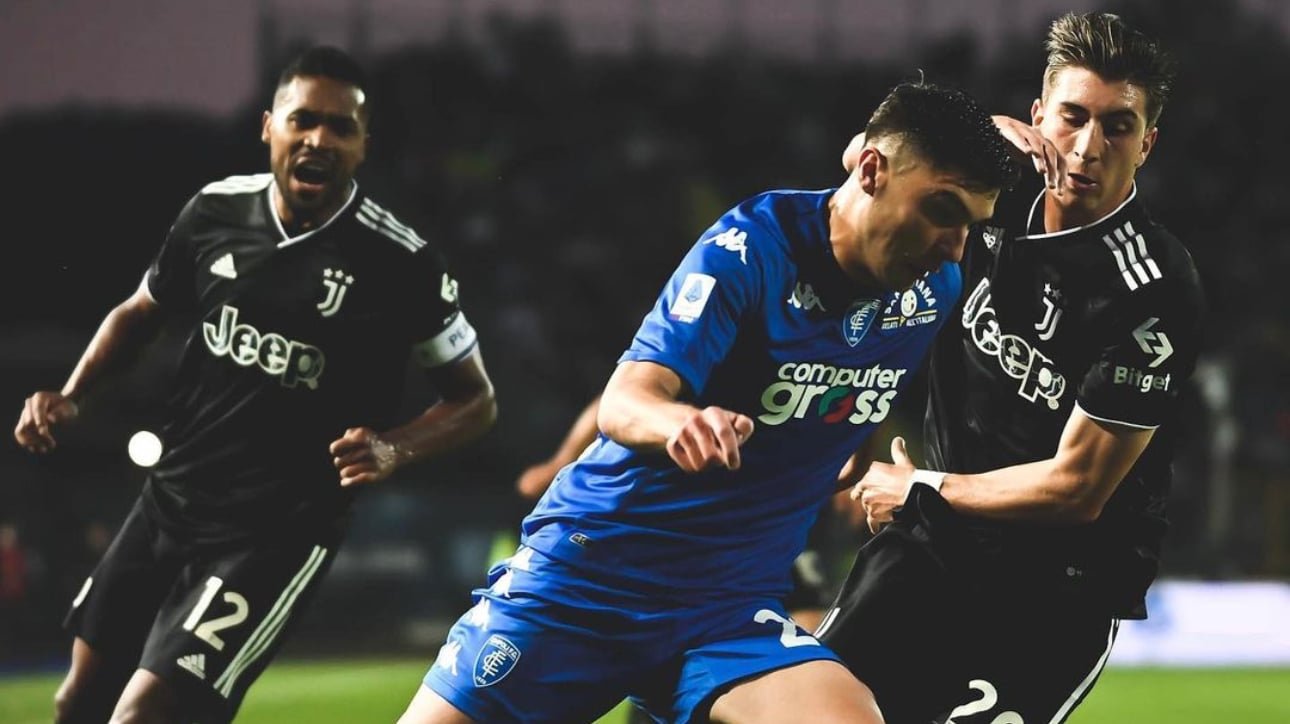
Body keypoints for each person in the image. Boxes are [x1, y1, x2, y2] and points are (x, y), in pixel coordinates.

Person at [399, 80, 1019, 724]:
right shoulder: (750, 252)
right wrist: (680, 423)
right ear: (871, 170)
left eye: (973, 225)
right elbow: (625, 399)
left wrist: (858, 461)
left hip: (728, 606)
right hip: (594, 577)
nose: (956, 247)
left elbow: (852, 390)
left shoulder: (931, 290)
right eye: (943, 211)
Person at [13, 46, 497, 724]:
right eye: (304, 121)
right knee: (78, 702)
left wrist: (396, 448)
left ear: (362, 146)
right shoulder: (214, 211)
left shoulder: (401, 264)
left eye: (340, 127)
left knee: (144, 717)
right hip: (169, 500)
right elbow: (140, 311)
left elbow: (476, 400)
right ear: (269, 126)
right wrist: (72, 393)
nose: (319, 139)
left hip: (275, 532)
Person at [818, 13, 1206, 723]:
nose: (1088, 147)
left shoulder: (1153, 288)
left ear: (1146, 145)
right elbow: (861, 165)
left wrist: (920, 486)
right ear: (1038, 116)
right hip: (929, 549)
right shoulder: (992, 190)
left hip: (1055, 594)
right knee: (798, 709)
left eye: (1117, 127)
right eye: (1072, 117)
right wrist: (977, 132)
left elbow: (1077, 488)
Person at [516, 394, 833, 632]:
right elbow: (619, 399)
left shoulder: (824, 349)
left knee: (806, 616)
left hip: (770, 510)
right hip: (681, 515)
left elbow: (859, 402)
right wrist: (560, 462)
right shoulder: (716, 336)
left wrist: (853, 467)